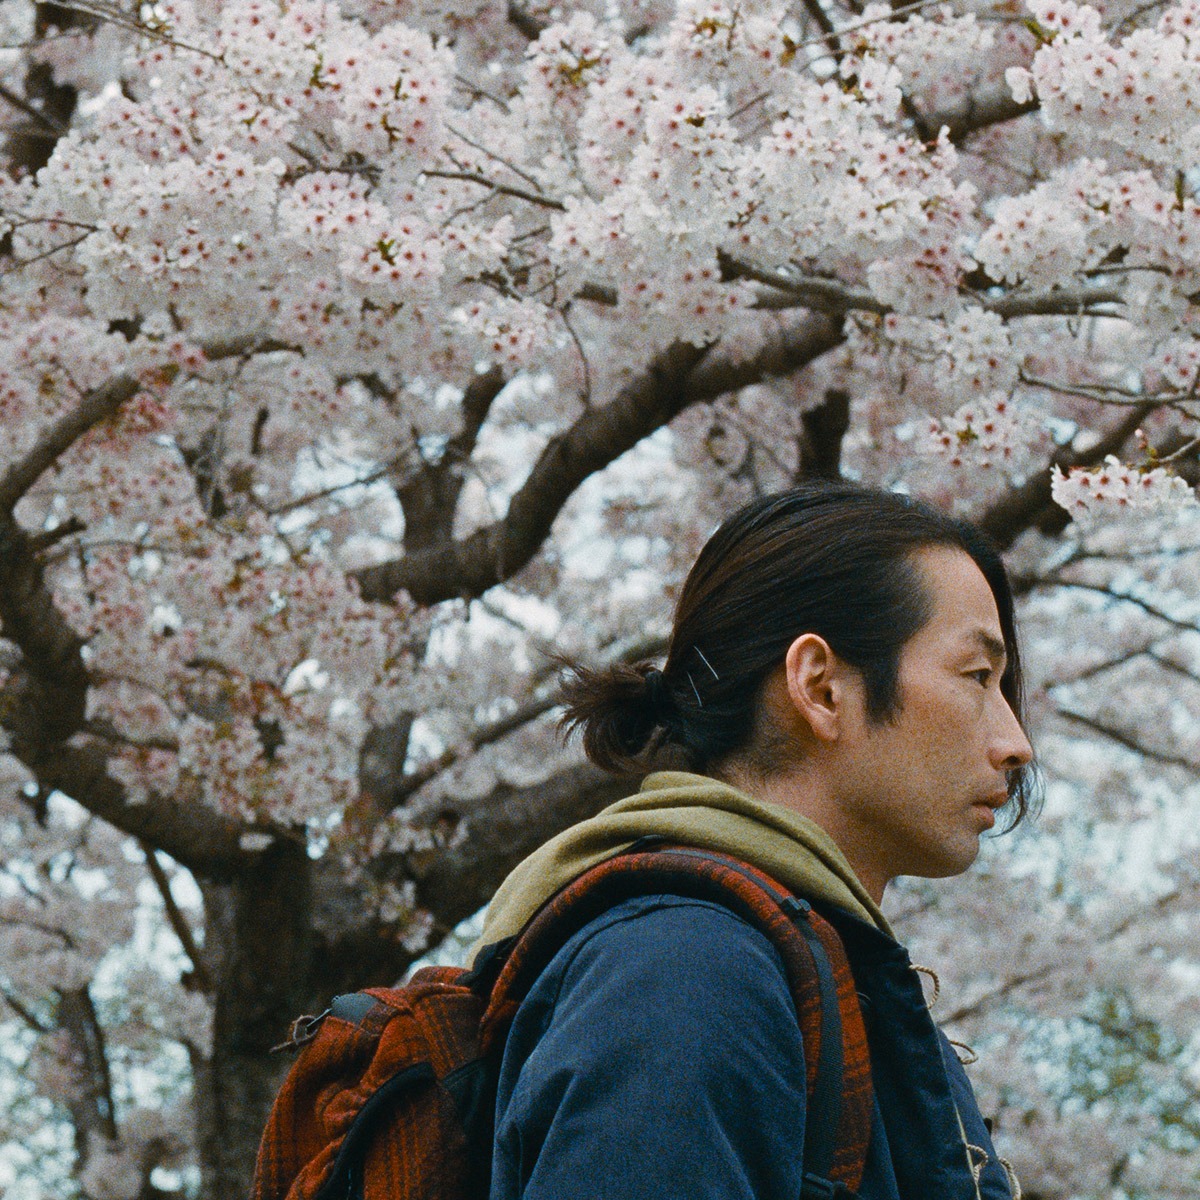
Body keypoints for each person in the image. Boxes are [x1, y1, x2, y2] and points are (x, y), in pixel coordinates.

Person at [475, 480, 1036, 1200]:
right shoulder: (686, 975)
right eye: (977, 675)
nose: (1016, 742)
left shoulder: (787, 968)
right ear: (821, 686)